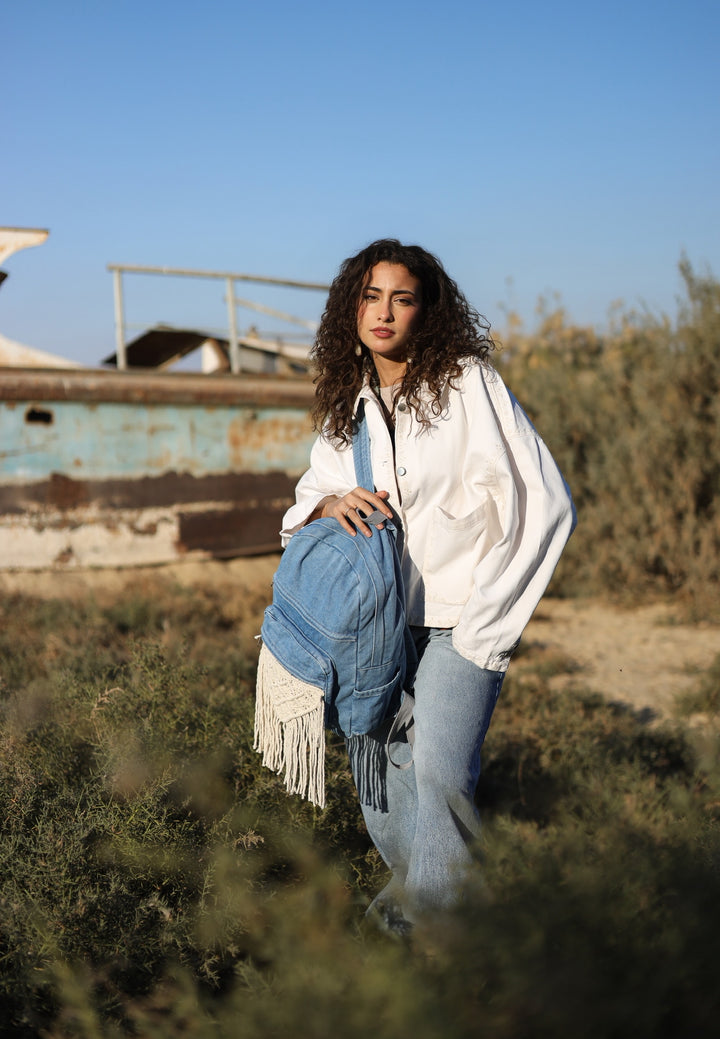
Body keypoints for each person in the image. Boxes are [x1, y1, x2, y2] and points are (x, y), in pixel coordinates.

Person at [280, 238, 575, 933]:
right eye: (371, 296)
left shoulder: (467, 384)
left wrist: (484, 628)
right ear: (352, 307)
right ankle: (424, 923)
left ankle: (439, 948)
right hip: (370, 632)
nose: (384, 312)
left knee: (441, 780)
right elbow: (300, 515)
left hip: (459, 626)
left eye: (402, 298)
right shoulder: (343, 410)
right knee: (382, 793)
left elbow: (546, 502)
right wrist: (327, 505)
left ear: (425, 310)